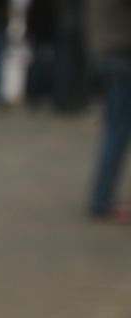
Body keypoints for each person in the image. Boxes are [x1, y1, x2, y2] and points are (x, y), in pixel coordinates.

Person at [87, 1, 131, 221]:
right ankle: (102, 199)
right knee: (117, 133)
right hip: (122, 55)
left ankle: (102, 197)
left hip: (110, 53)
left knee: (114, 130)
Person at [24, 0, 57, 108]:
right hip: (47, 27)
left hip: (39, 27)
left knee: (37, 62)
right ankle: (40, 93)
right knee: (43, 62)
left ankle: (34, 94)